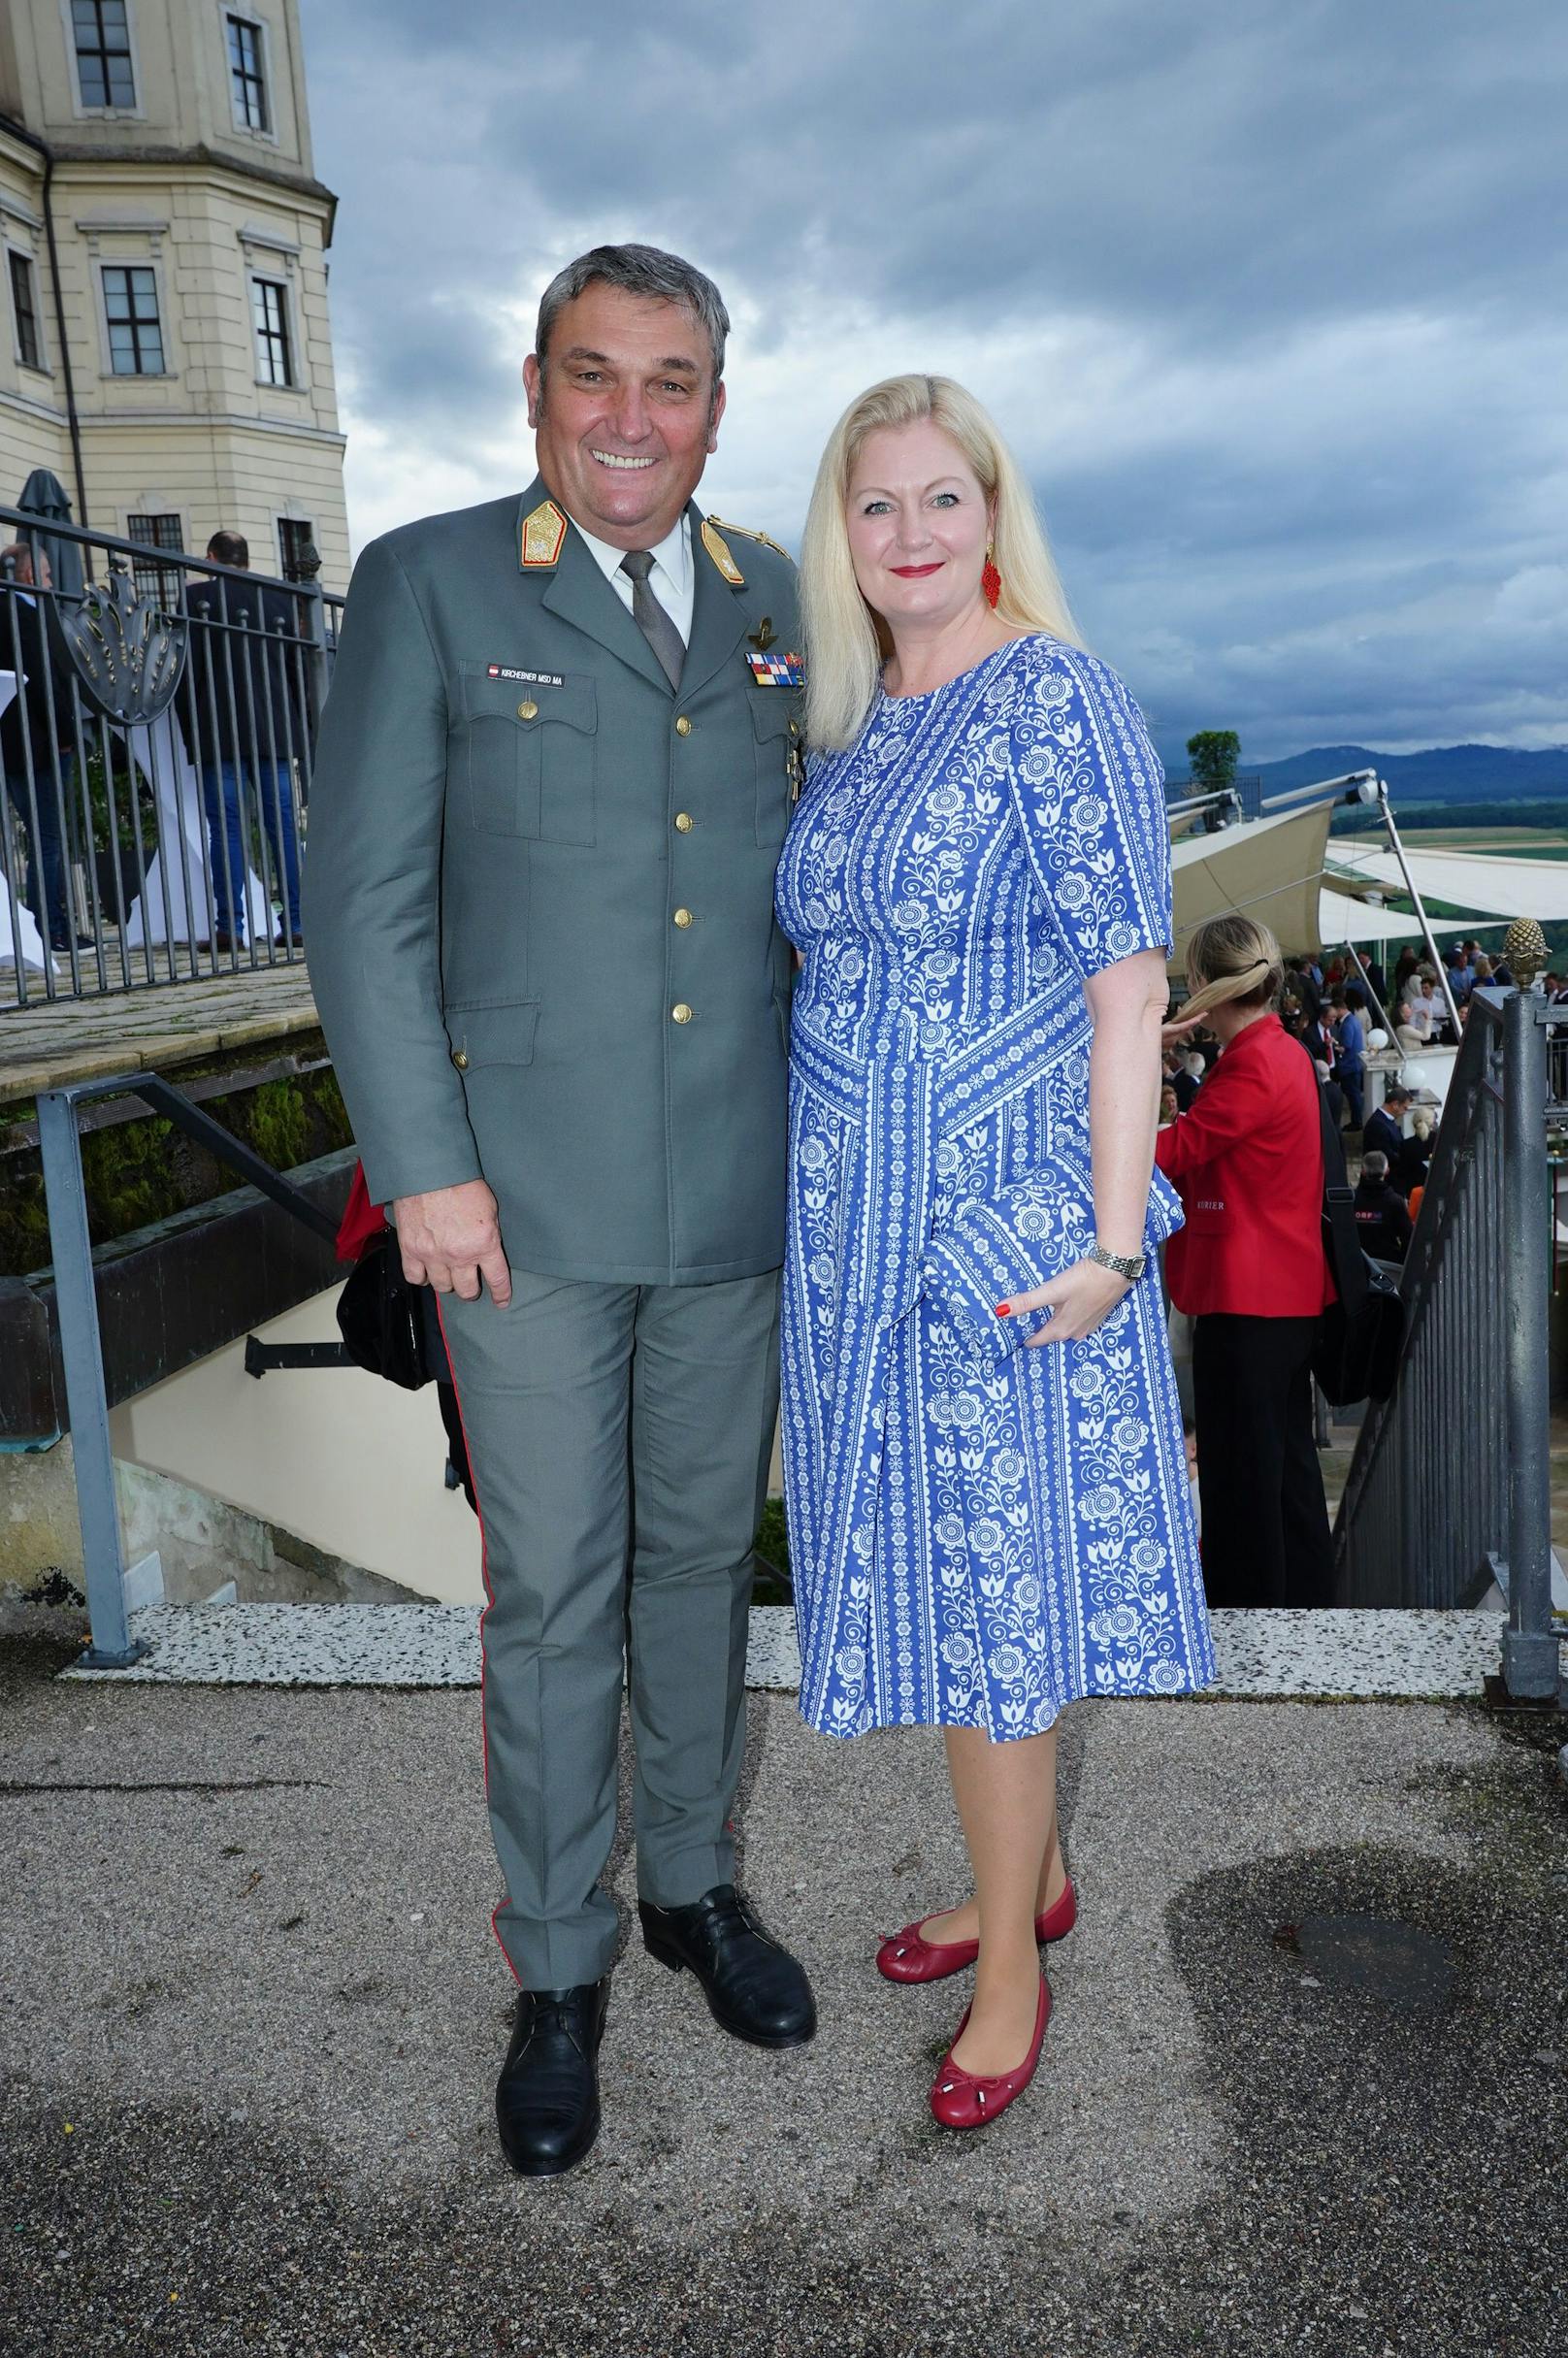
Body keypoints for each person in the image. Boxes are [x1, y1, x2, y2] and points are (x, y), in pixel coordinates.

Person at [305, 243, 814, 2179]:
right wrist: (420, 1168)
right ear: (534, 390)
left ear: (710, 404)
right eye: (593, 375)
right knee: (558, 1594)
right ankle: (558, 1961)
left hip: (728, 1191)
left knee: (700, 1564)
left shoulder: (776, 601)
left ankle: (690, 1883)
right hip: (509, 1203)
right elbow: (363, 904)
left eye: (669, 380)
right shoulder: (431, 583)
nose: (629, 417)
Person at [776, 373, 1213, 2135]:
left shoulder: (1059, 697)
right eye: (875, 507)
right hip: (855, 1235)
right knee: (941, 1590)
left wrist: (1113, 1244)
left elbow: (1128, 990)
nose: (908, 536)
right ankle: (1013, 1879)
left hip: (1000, 1232)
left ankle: (1018, 1971)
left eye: (940, 500)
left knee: (999, 1602)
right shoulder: (866, 715)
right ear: (844, 535)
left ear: (992, 509)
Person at [1153, 912, 1337, 1611]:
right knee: (1285, 1471)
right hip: (1283, 1293)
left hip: (1246, 1297)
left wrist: (1143, 1054)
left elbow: (1165, 1157)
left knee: (1242, 1477)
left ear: (1204, 984)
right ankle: (1308, 1611)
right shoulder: (1279, 1051)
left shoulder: (1252, 1064)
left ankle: (1246, 1617)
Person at [183, 532, 305, 952]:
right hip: (273, 729)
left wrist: (190, 732)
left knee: (227, 829)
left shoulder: (196, 598)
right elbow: (297, 671)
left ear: (212, 557)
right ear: (247, 561)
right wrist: (300, 731)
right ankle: (297, 921)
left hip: (219, 729)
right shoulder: (278, 599)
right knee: (283, 828)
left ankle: (230, 928)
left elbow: (187, 672)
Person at [0, 542, 81, 952]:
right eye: (47, 574)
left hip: (15, 746)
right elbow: (42, 683)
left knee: (42, 835)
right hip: (39, 743)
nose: (51, 582)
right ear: (29, 576)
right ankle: (51, 927)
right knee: (48, 838)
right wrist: (66, 734)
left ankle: (51, 924)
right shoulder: (23, 613)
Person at [1354, 1149, 1413, 1262]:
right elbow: (1408, 1238)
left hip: (1357, 1263)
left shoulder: (1352, 1200)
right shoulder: (1395, 1202)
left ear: (1363, 1172)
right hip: (1388, 1264)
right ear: (1387, 1171)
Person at [1361, 1079, 1411, 1176]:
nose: (1405, 1112)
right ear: (1395, 1105)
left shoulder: (1385, 1120)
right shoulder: (1377, 1125)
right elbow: (1386, 1154)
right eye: (1404, 1108)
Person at [1335, 983, 1367, 1129]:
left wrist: (1334, 1046)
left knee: (1353, 1095)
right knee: (1354, 1094)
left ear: (1340, 1009)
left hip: (1349, 1064)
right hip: (1355, 1063)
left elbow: (1345, 1046)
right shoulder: (1353, 1020)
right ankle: (1357, 1119)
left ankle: (1357, 1121)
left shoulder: (1347, 1024)